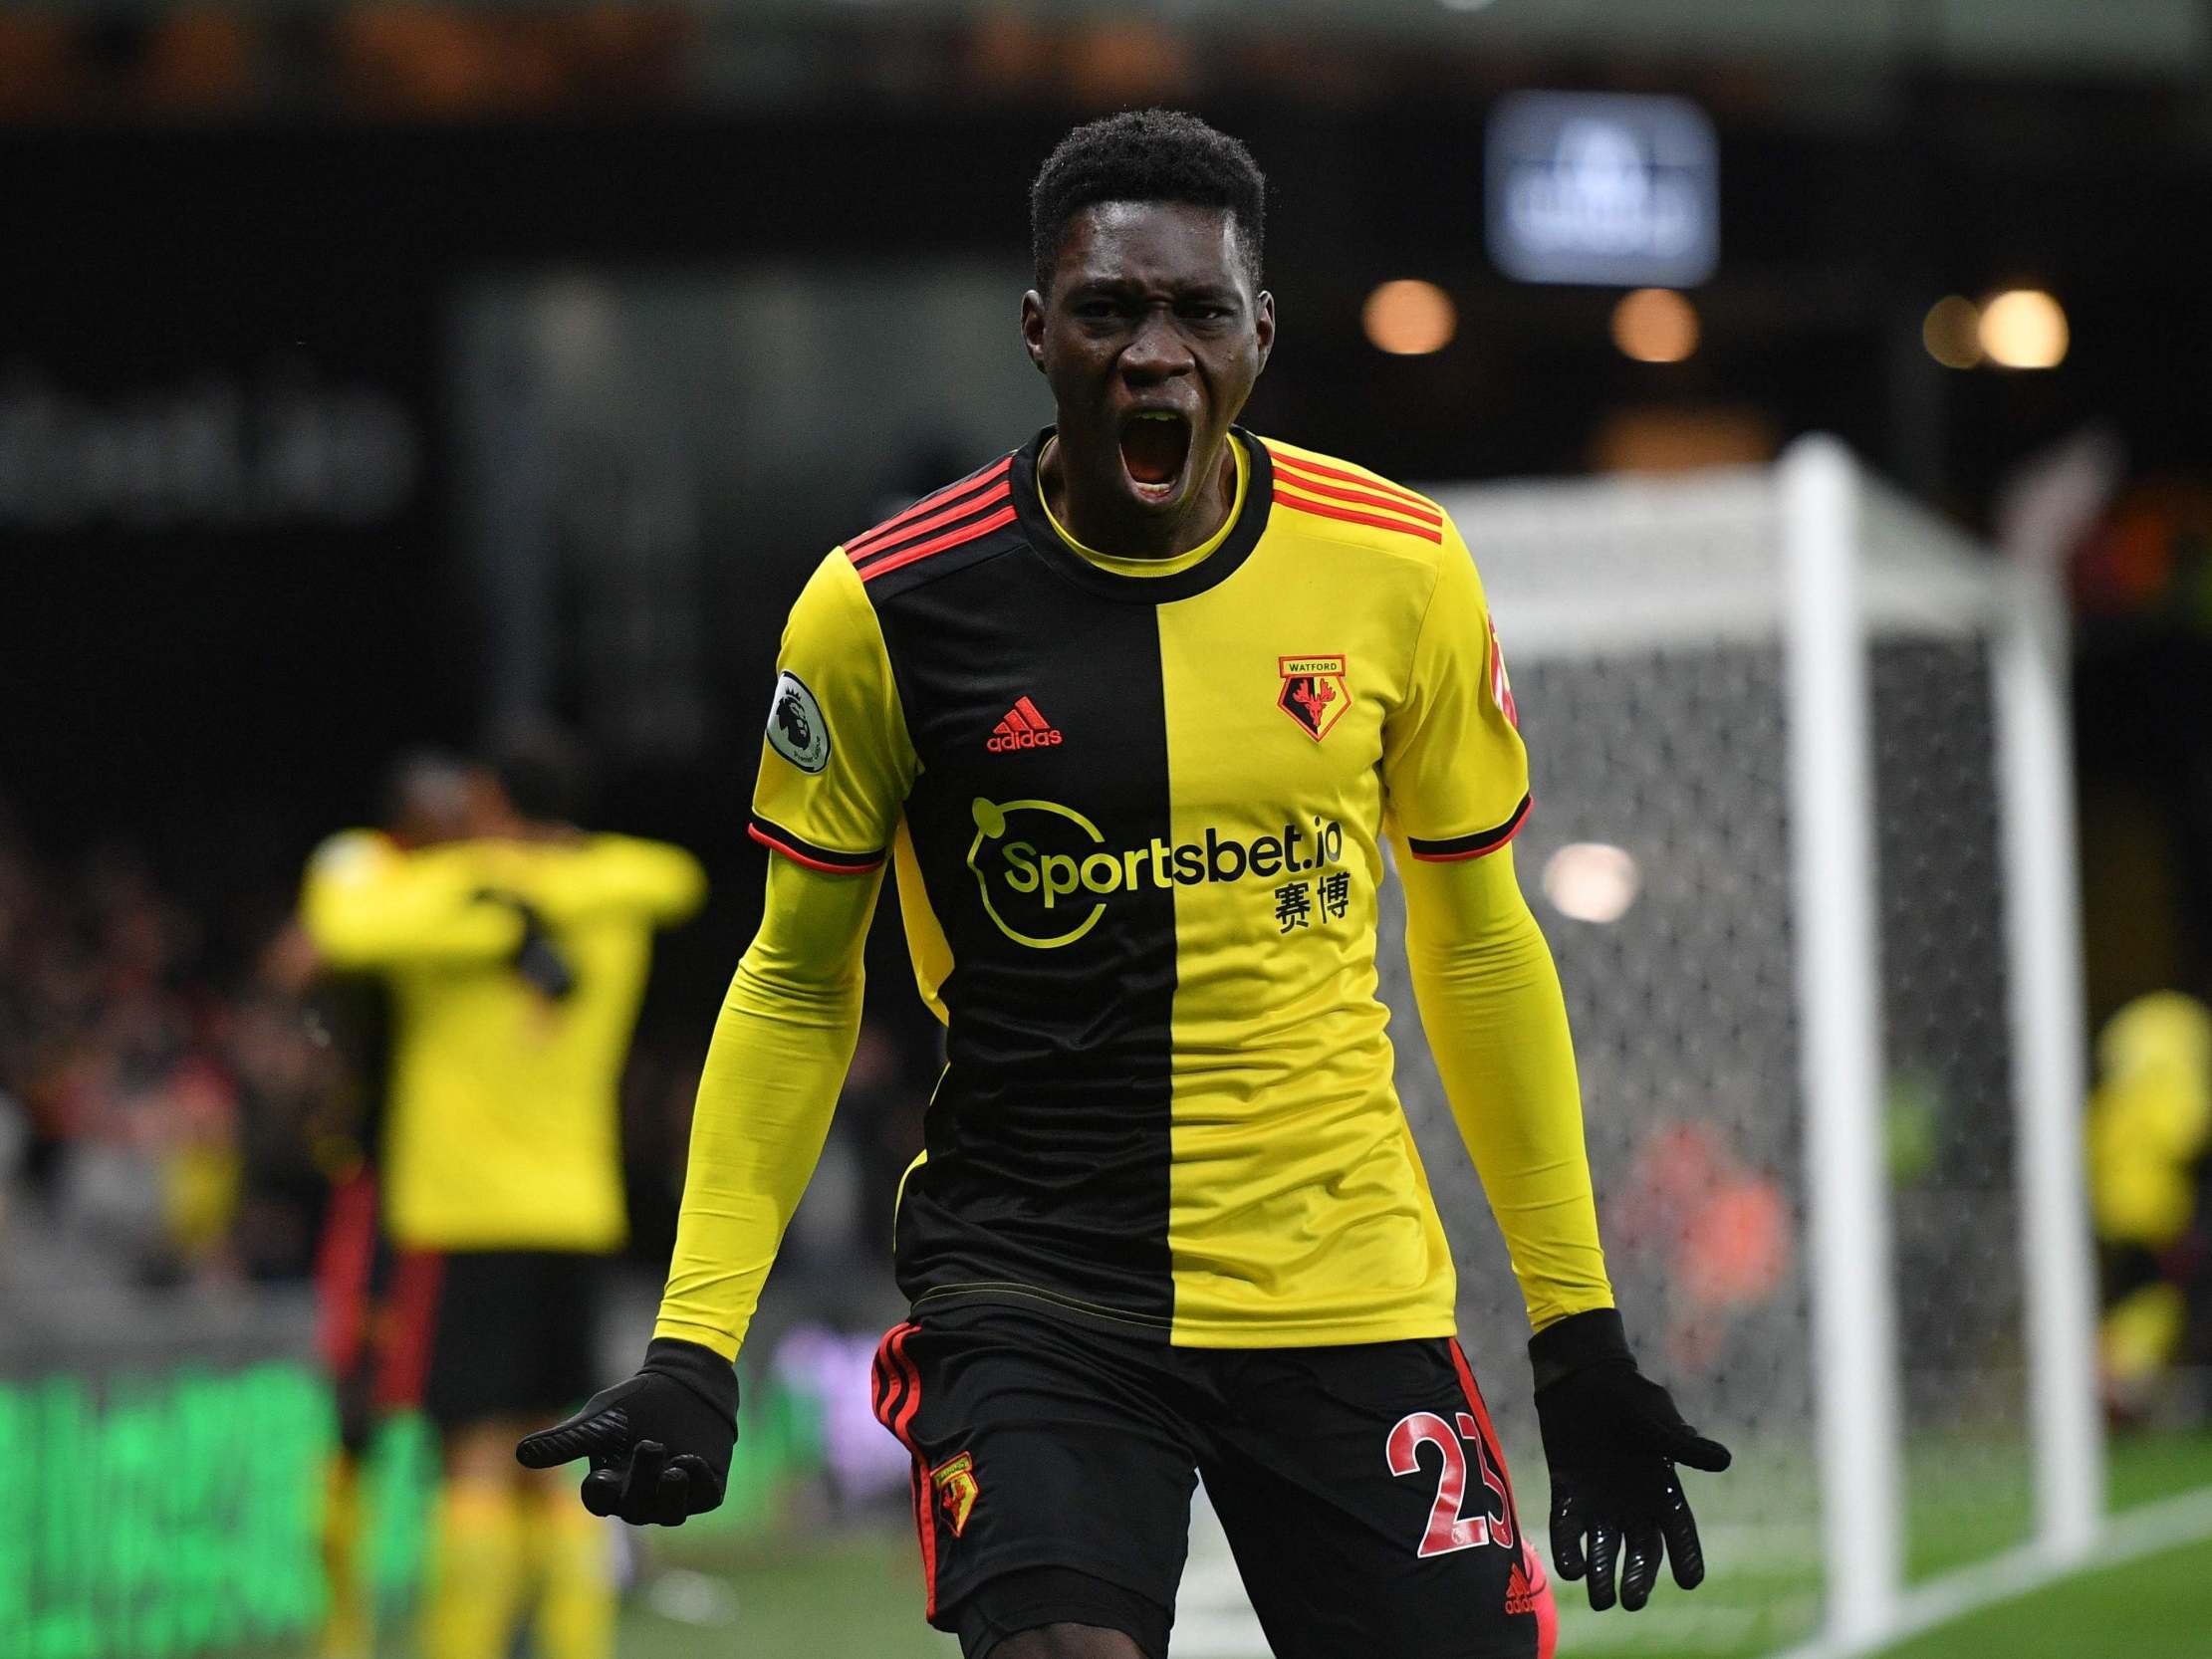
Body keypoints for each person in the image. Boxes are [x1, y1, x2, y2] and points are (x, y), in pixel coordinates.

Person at [522, 110, 1729, 1659]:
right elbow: (797, 977)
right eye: (1109, 309)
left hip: (1339, 1278)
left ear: (1261, 334)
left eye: (1198, 312)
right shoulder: (882, 609)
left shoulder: (1400, 566)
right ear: (1037, 330)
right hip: (1036, 1289)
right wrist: (695, 1340)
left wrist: (1577, 1332)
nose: (1153, 352)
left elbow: (1479, 943)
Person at [307, 733, 705, 1659]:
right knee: (556, 1460)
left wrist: (485, 881)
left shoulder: (445, 894)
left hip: (461, 1215)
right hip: (574, 1212)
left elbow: (341, 923)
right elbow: (674, 877)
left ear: (487, 802)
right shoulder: (615, 892)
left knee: (476, 1461)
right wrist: (556, 875)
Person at [279, 749, 492, 1659]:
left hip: (467, 1190)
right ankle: (342, 1628)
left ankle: (466, 1626)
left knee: (464, 1415)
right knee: (356, 1405)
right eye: (449, 822)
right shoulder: (363, 875)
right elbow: (299, 958)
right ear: (413, 824)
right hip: (378, 1183)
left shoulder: (478, 896)